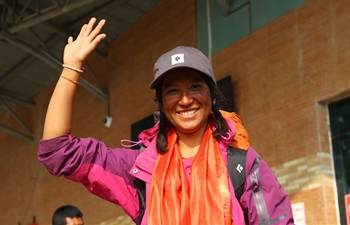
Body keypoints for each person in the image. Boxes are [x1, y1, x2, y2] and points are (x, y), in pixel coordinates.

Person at [38, 17, 295, 225]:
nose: (185, 100)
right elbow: (58, 152)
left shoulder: (243, 165)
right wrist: (70, 69)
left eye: (196, 86)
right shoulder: (139, 168)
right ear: (161, 104)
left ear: (213, 97)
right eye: (172, 90)